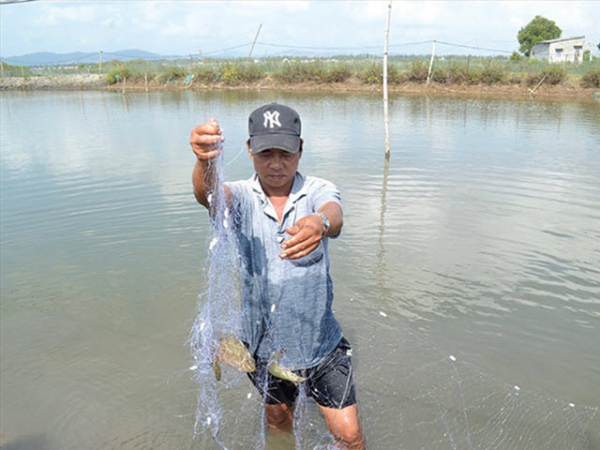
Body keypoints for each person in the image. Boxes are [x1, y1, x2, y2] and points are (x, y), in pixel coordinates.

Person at [190, 103, 365, 449]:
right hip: (265, 349)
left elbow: (334, 212)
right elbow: (209, 196)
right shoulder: (239, 196)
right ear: (249, 150)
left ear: (300, 151)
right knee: (277, 419)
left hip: (320, 344)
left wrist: (321, 223)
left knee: (350, 435)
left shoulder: (316, 189)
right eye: (266, 152)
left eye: (285, 152)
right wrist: (204, 162)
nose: (275, 163)